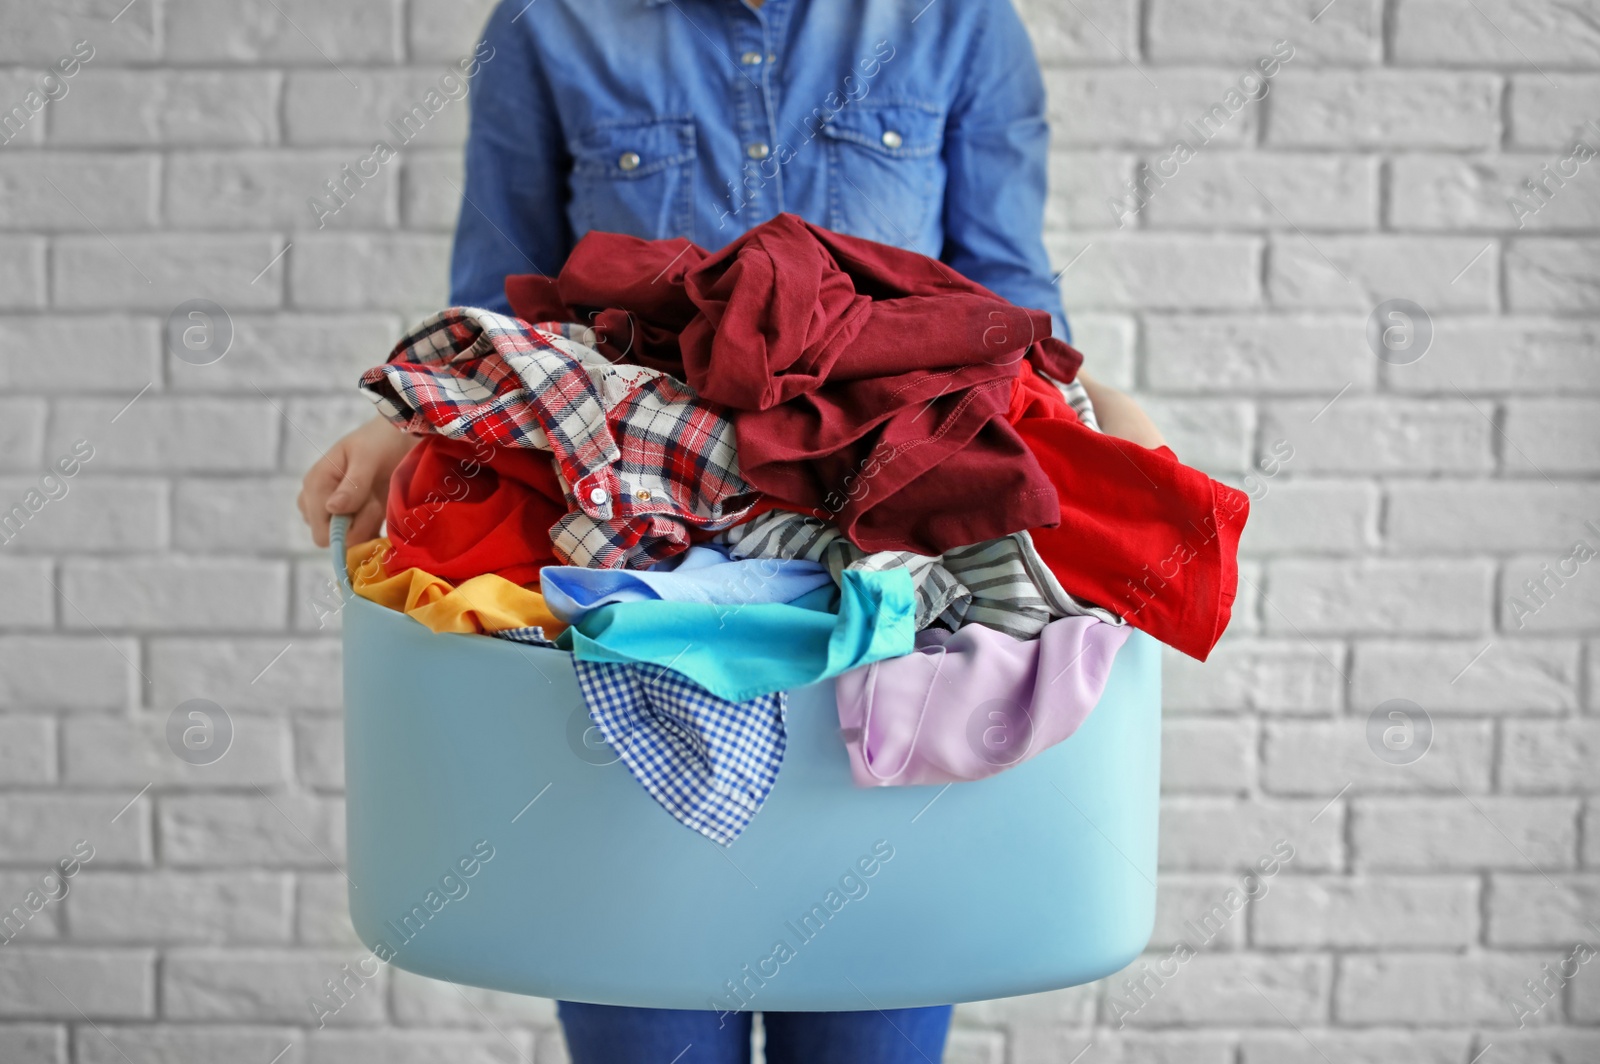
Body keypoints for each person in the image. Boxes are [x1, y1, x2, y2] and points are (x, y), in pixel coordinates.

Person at [299, 0, 1162, 1059]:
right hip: (619, 562)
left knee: (871, 1031)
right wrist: (410, 423)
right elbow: (500, 304)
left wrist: (1106, 420)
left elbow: (1004, 300)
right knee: (645, 1016)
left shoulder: (954, 20)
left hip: (887, 606)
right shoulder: (550, 24)